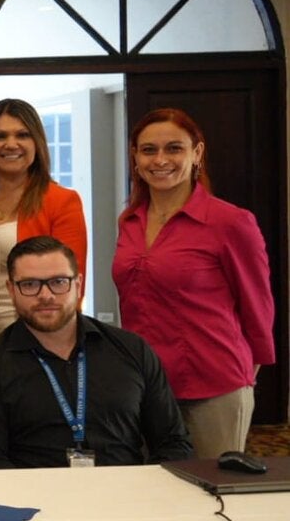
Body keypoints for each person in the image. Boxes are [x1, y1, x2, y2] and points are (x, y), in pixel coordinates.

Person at [112, 108, 274, 458]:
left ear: (197, 153)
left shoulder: (230, 222)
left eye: (174, 148)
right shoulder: (129, 220)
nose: (160, 160)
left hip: (213, 385)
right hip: (145, 386)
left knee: (213, 497)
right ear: (135, 157)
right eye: (148, 150)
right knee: (150, 496)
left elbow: (258, 308)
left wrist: (246, 376)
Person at [0, 237, 192, 469]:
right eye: (29, 284)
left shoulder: (131, 350)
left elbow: (173, 443)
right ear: (11, 290)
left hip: (125, 497)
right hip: (35, 501)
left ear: (78, 284)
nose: (46, 295)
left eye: (58, 282)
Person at [0, 99, 87, 333]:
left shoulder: (62, 201)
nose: (11, 144)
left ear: (37, 143)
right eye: (0, 136)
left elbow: (70, 288)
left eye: (23, 135)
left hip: (31, 334)